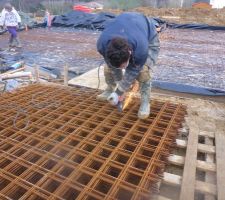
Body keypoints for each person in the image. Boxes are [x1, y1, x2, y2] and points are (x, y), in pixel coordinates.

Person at [96, 12, 160, 119]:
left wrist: (121, 90)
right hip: (127, 26)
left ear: (130, 53)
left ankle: (145, 102)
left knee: (143, 72)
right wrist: (119, 90)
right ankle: (110, 89)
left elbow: (133, 70)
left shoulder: (141, 49)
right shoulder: (102, 45)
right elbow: (112, 67)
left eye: (123, 66)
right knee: (108, 69)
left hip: (147, 33)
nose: (122, 69)